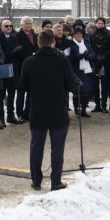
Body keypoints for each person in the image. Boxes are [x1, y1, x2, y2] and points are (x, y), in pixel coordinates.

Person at [19, 29, 80, 191]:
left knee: (36, 147)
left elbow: (22, 87)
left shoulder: (28, 62)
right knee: (57, 148)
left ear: (38, 43)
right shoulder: (62, 61)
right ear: (54, 43)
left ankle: (36, 181)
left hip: (37, 110)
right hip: (58, 111)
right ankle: (55, 181)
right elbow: (72, 86)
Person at [12, 16, 39, 123]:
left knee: (31, 93)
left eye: (30, 23)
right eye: (26, 23)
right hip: (21, 67)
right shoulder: (16, 36)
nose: (29, 25)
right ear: (21, 25)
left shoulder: (36, 36)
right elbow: (17, 52)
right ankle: (20, 114)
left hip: (34, 67)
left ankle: (28, 112)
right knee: (21, 93)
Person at [0, 19, 18, 126]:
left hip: (12, 68)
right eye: (6, 26)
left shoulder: (14, 37)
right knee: (1, 94)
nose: (9, 28)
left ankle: (10, 115)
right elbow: (0, 54)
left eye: (10, 26)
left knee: (12, 93)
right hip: (2, 68)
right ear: (1, 27)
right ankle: (1, 117)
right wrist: (13, 52)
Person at [88, 17, 110, 113]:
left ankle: (103, 105)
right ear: (96, 24)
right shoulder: (91, 36)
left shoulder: (109, 35)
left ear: (104, 24)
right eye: (98, 23)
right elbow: (90, 48)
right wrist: (95, 57)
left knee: (105, 86)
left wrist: (103, 56)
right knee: (95, 86)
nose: (100, 25)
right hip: (95, 63)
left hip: (105, 62)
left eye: (101, 23)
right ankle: (97, 105)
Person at [68, 26, 95, 116]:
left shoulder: (86, 43)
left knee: (85, 91)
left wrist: (87, 56)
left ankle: (84, 110)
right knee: (77, 91)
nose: (79, 35)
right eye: (77, 34)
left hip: (86, 70)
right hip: (76, 70)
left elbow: (92, 54)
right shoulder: (71, 44)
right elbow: (71, 57)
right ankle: (76, 110)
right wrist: (81, 55)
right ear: (73, 35)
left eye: (80, 34)